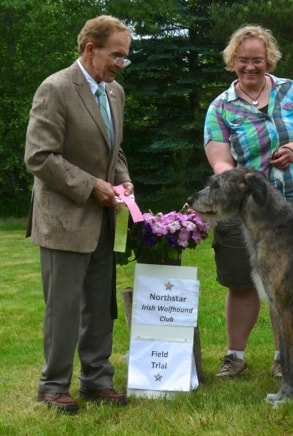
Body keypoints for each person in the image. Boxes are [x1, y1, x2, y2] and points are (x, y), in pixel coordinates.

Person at [203, 25, 293, 378]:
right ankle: (235, 357)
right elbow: (219, 160)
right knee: (241, 282)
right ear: (233, 61)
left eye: (257, 60)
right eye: (243, 60)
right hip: (248, 212)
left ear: (268, 59)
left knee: (286, 286)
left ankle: (282, 358)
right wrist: (238, 183)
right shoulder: (220, 109)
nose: (250, 67)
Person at [24, 15, 134, 413]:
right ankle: (53, 386)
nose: (121, 64)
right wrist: (92, 186)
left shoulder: (115, 92)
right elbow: (39, 156)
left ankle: (97, 380)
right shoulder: (55, 88)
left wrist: (122, 181)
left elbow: (114, 149)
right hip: (64, 220)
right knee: (65, 308)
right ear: (90, 49)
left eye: (126, 57)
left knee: (99, 304)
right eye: (116, 55)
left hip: (104, 220)